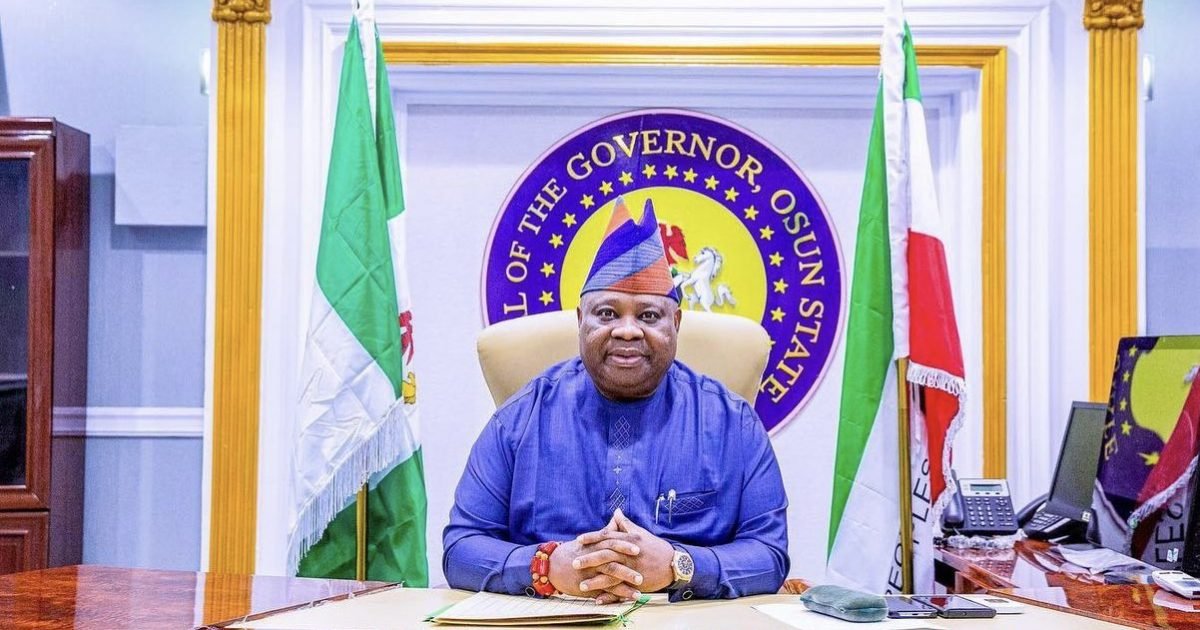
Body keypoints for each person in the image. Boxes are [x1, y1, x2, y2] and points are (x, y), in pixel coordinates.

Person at [443, 197, 789, 602]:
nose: (627, 330)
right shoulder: (520, 419)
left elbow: (769, 554)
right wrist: (546, 567)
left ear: (676, 323)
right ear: (580, 321)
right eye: (607, 314)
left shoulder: (732, 423)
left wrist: (679, 565)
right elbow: (461, 548)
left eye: (648, 316)